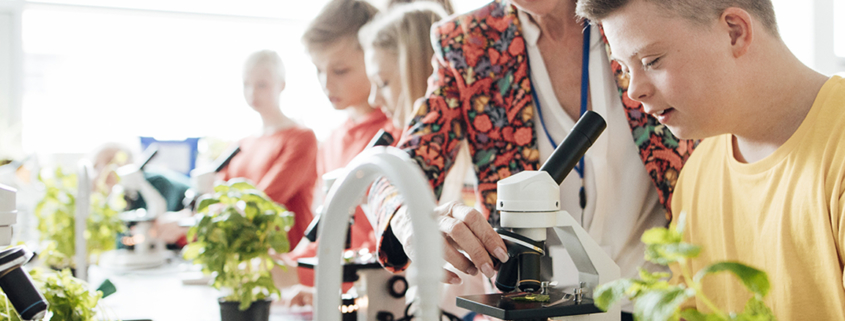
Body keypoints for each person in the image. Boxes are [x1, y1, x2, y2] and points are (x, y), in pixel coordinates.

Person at [366, 0, 697, 318]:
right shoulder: (469, 42)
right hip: (536, 309)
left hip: (667, 302)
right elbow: (399, 167)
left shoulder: (645, 12)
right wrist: (406, 217)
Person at [576, 0, 845, 319]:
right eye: (623, 68)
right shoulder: (697, 175)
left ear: (734, 32)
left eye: (651, 61)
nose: (634, 90)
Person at [359, 3, 479, 316]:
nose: (373, 99)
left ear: (416, 71)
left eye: (383, 82)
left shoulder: (473, 170)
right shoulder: (406, 161)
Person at [217, 50, 318, 250]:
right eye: (247, 84)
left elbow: (265, 199)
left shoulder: (301, 138)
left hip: (285, 259)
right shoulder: (241, 144)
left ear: (282, 85)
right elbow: (218, 194)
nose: (252, 93)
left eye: (262, 85)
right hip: (242, 255)